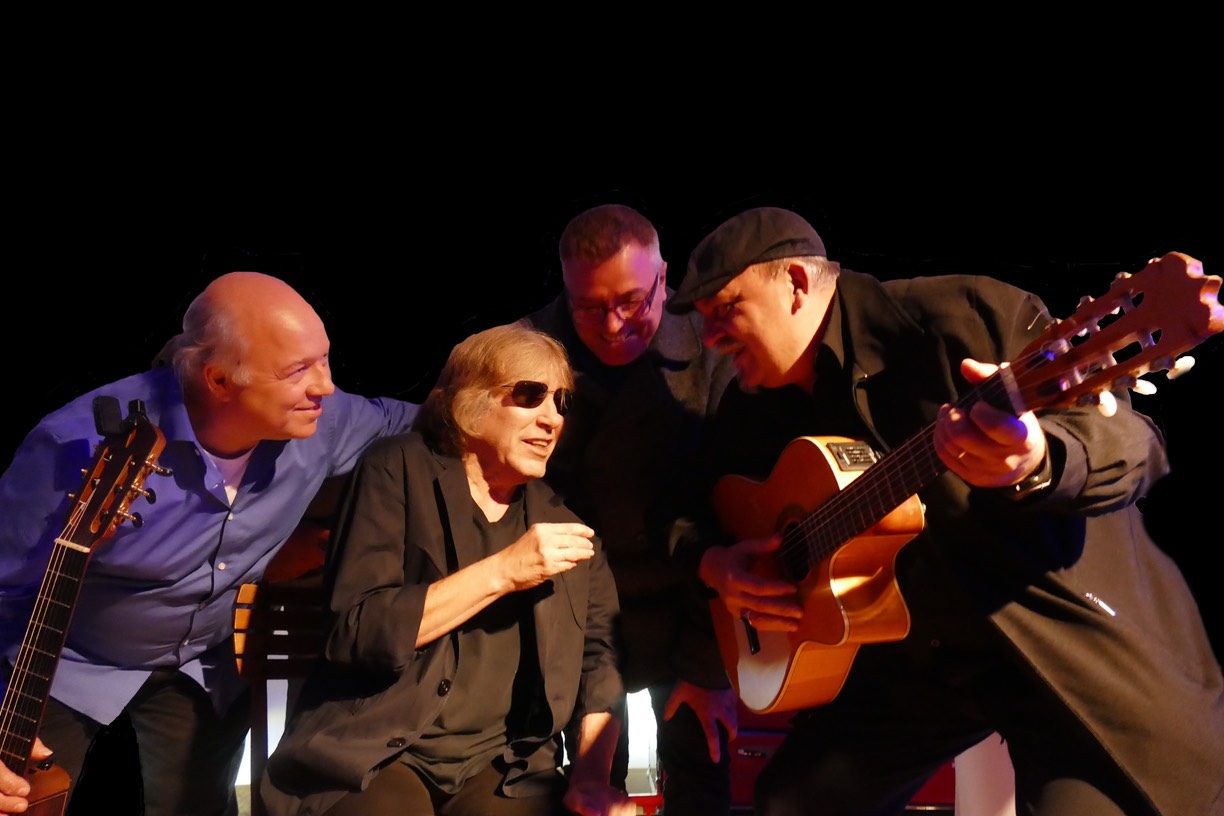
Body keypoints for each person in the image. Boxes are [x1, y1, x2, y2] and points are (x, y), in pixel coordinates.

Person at [665, 206, 1224, 815]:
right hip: (919, 664)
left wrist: (1036, 459)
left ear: (797, 284)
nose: (713, 339)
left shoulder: (959, 317)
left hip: (1054, 650)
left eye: (726, 311)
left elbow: (1133, 446)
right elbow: (693, 508)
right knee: (791, 802)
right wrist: (715, 563)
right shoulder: (753, 408)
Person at [0, 271, 419, 816]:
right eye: (297, 371)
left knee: (200, 806)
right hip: (71, 656)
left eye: (325, 360)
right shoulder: (70, 445)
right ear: (219, 381)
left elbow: (428, 423)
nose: (325, 386)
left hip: (202, 660)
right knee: (21, 802)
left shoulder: (327, 420)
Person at [260, 324, 635, 816]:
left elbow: (599, 659)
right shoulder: (396, 470)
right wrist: (503, 571)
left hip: (503, 766)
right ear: (471, 403)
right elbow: (357, 630)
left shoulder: (565, 519)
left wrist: (589, 778)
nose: (551, 419)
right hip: (376, 754)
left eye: (561, 402)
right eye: (529, 395)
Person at [512, 203, 739, 814]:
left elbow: (733, 520)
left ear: (664, 278)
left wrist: (709, 668)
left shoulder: (714, 352)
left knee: (700, 762)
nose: (613, 326)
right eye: (589, 307)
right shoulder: (524, 354)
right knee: (561, 789)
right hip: (570, 610)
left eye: (633, 301)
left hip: (694, 602)